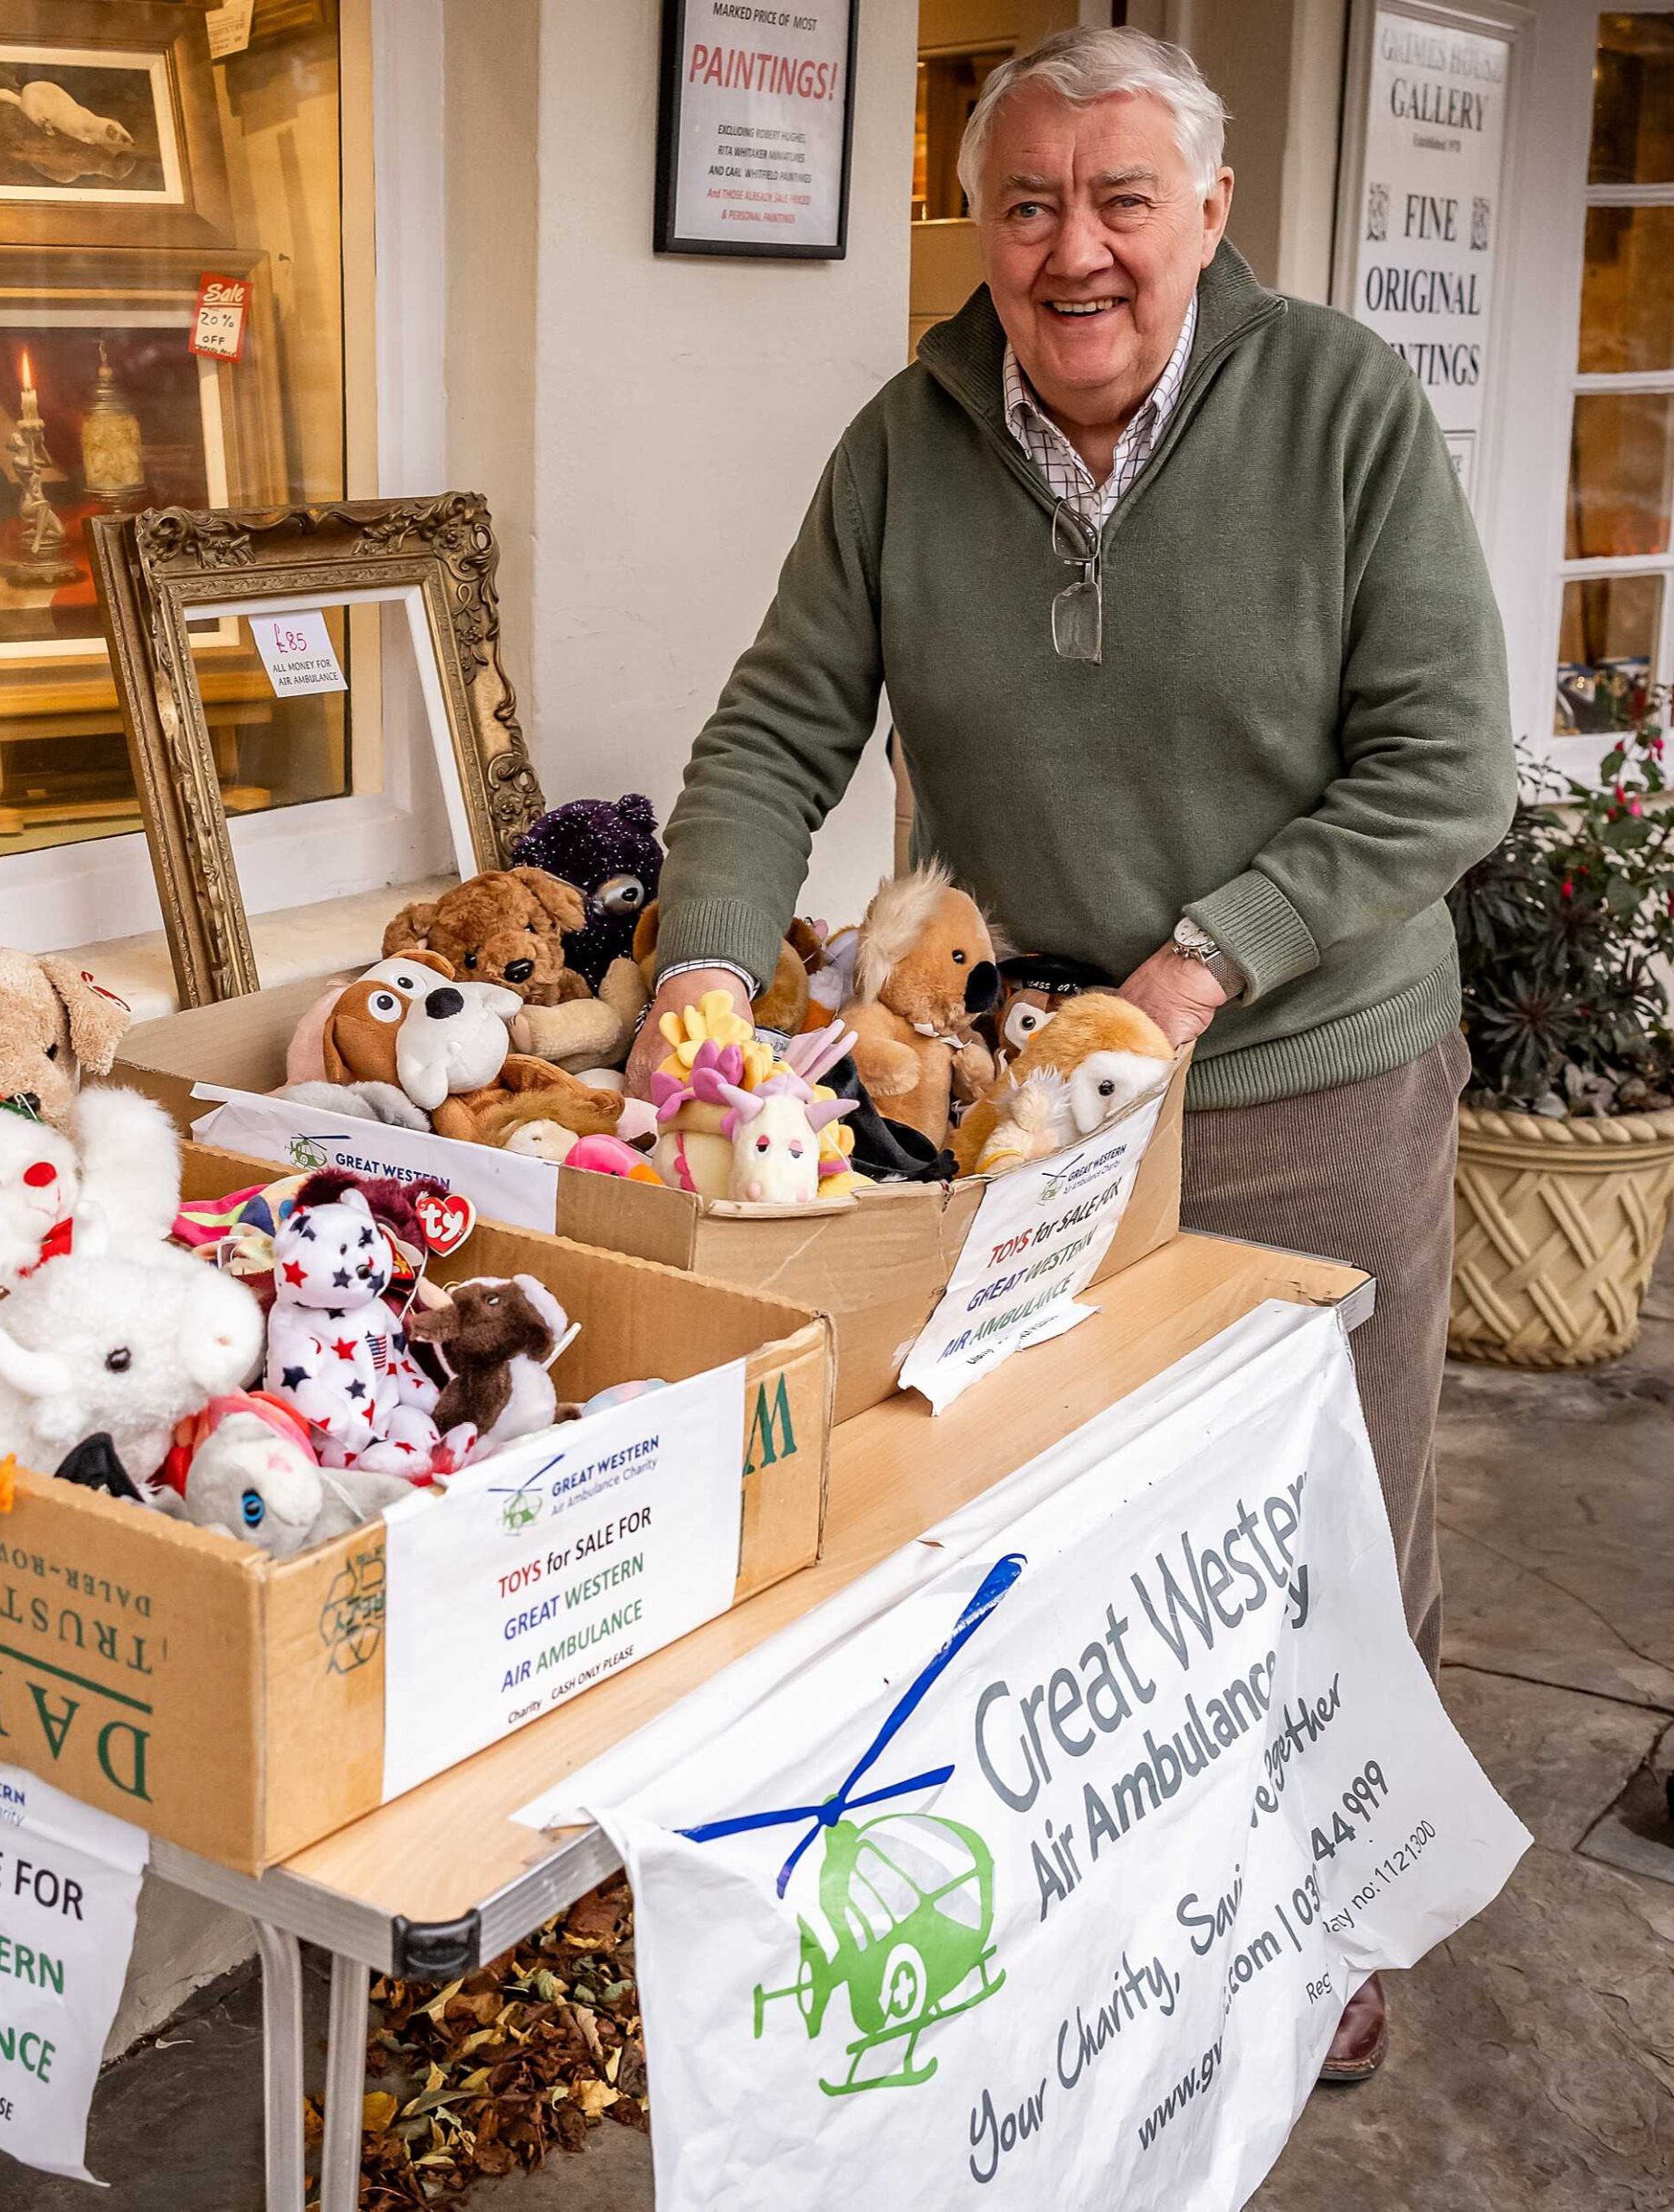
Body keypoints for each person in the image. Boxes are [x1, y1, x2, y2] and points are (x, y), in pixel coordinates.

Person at [633, 26, 1515, 2084]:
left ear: (1209, 212)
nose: (1074, 249)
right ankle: (1108, 1924)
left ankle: (1331, 1913)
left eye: (1122, 199)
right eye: (1026, 204)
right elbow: (775, 731)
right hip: (1025, 1115)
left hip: (1311, 1077)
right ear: (977, 225)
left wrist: (1208, 961)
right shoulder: (903, 439)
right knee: (1070, 1539)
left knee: (1326, 1515)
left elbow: (1443, 767)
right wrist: (698, 975)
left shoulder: (1343, 409)